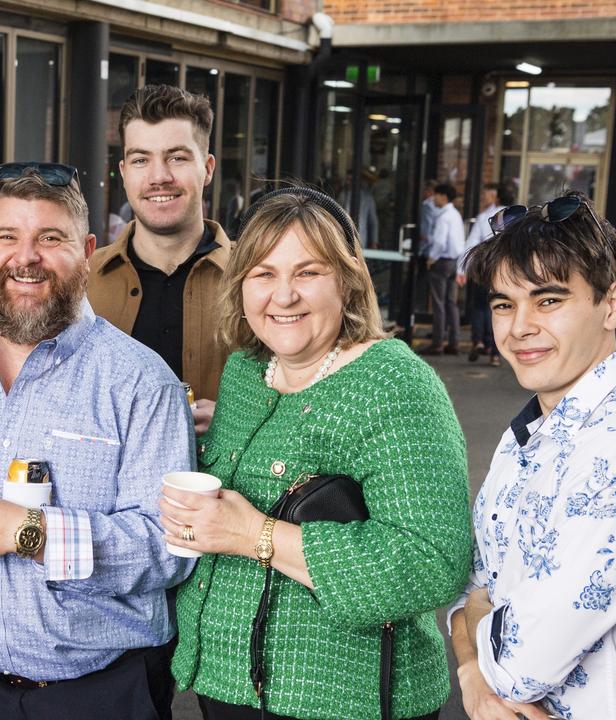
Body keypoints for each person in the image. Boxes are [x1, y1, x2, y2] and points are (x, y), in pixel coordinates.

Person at [164, 187, 472, 720]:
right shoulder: (246, 371)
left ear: (348, 282)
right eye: (263, 273)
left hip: (344, 701)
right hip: (229, 688)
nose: (283, 296)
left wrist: (254, 534)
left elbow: (434, 561)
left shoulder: (394, 383)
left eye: (308, 272)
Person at [0, 165, 195, 720]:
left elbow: (171, 549)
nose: (26, 257)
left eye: (50, 238)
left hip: (99, 694)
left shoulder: (141, 382)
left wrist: (28, 533)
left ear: (87, 251)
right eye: (7, 237)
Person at [451, 192, 616, 720]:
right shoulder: (533, 428)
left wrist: (476, 652)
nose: (519, 326)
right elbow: (471, 589)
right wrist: (472, 668)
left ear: (611, 303)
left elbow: (520, 666)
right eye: (504, 304)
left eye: (548, 300)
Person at [89, 84, 231, 434]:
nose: (158, 177)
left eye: (177, 158)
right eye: (141, 160)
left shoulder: (259, 278)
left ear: (208, 168)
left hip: (231, 486)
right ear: (123, 172)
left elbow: (306, 390)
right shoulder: (81, 279)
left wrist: (237, 423)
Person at [457, 183, 511, 366]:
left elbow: (471, 243)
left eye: (489, 193)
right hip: (507, 272)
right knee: (502, 309)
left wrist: (462, 269)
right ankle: (495, 354)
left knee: (480, 307)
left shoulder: (484, 217)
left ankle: (479, 340)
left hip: (485, 268)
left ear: (497, 196)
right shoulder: (517, 216)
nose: (486, 197)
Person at [421, 183, 464, 356]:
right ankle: (454, 342)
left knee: (438, 304)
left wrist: (431, 258)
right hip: (454, 262)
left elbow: (439, 242)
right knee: (451, 303)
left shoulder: (443, 217)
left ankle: (437, 343)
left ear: (444, 197)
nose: (434, 199)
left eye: (437, 195)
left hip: (441, 262)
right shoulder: (455, 215)